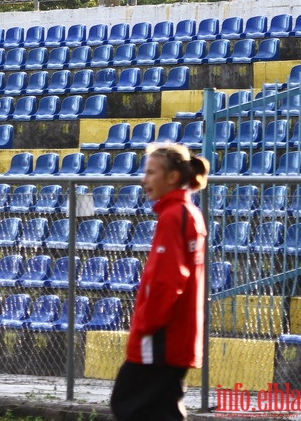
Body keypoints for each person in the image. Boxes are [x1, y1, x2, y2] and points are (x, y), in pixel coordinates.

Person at [110, 142, 210, 421]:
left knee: (127, 405)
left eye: (151, 173)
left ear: (172, 177)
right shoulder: (188, 213)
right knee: (161, 409)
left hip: (162, 336)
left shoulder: (175, 215)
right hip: (177, 334)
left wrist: (145, 324)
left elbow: (168, 280)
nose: (144, 181)